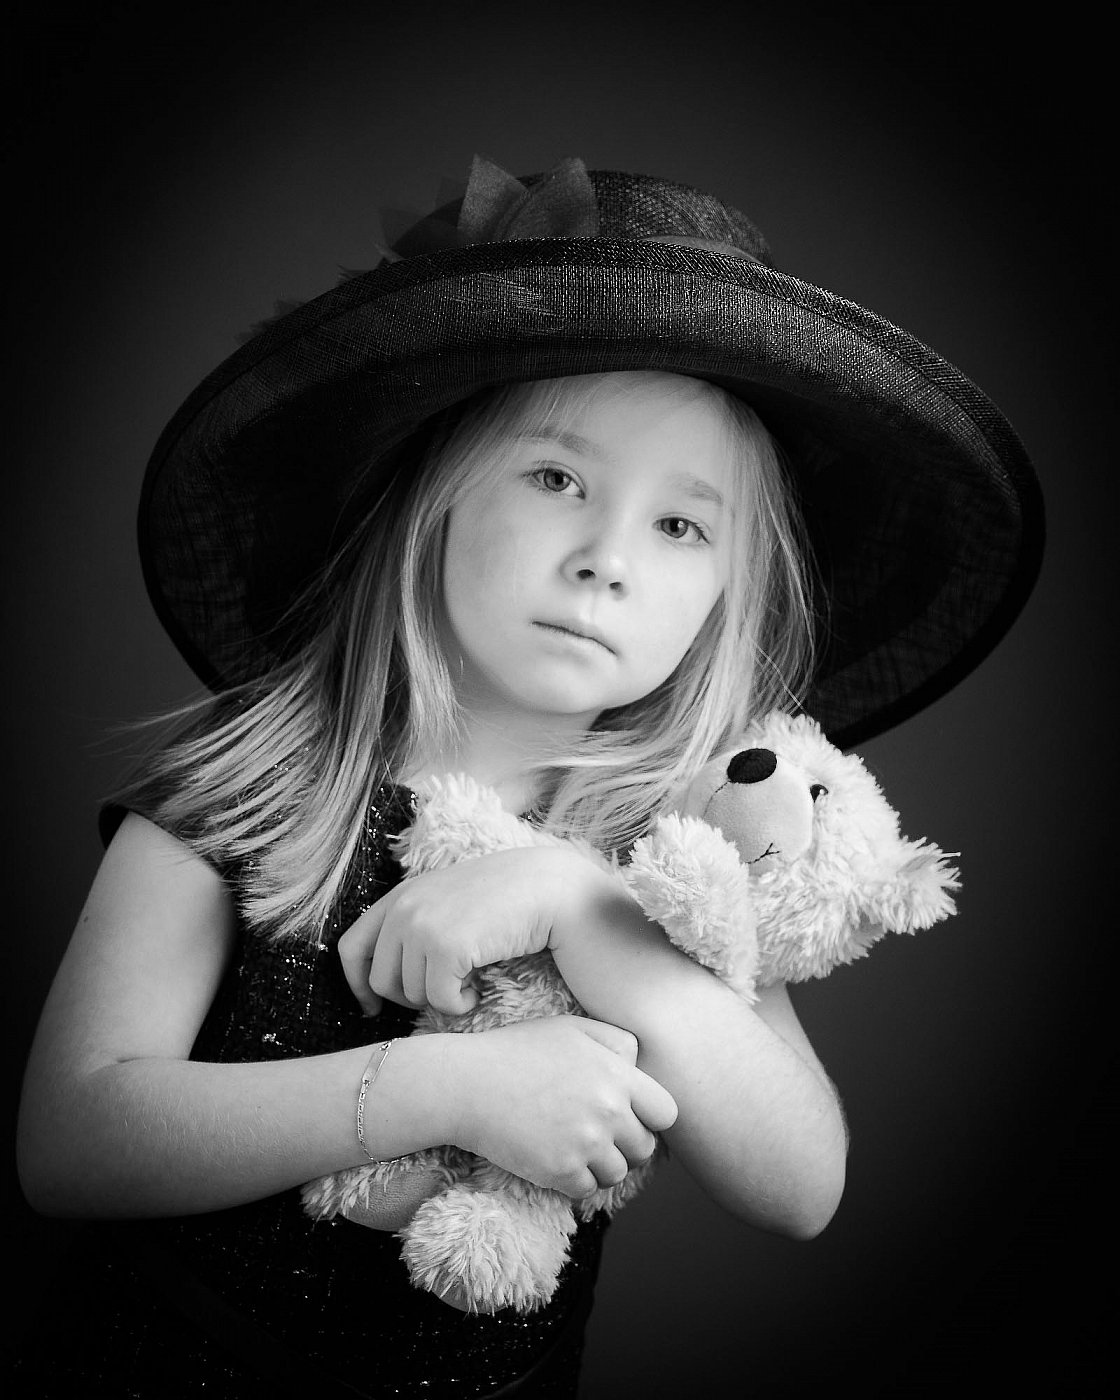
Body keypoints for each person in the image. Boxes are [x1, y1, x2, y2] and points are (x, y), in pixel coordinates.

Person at [13, 156, 1044, 1398]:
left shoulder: (670, 850)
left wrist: (576, 903)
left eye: (679, 524)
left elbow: (801, 1184)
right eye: (556, 478)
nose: (606, 557)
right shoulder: (261, 781)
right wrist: (444, 1086)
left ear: (724, 597)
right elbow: (71, 1135)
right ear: (437, 496)